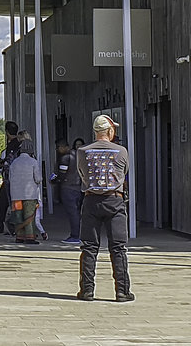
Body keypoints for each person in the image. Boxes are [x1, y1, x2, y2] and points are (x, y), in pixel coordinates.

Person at [77, 115, 132, 302]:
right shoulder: (121, 151)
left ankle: (87, 290)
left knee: (89, 247)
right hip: (114, 200)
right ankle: (122, 291)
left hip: (91, 200)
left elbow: (83, 174)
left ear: (95, 132)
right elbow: (123, 173)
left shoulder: (82, 151)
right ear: (110, 131)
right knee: (118, 248)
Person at [9, 139, 43, 244]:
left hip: (16, 194)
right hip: (30, 194)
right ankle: (30, 237)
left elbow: (10, 178)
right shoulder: (33, 162)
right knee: (29, 216)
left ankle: (19, 236)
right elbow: (38, 178)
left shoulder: (14, 162)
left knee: (18, 215)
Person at [0, 120, 21, 235]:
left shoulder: (8, 149)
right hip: (20, 181)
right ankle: (19, 227)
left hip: (8, 180)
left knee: (2, 203)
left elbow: (3, 165)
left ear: (7, 132)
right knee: (16, 204)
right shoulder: (21, 145)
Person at [57, 138, 84, 245]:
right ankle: (80, 234)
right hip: (79, 187)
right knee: (78, 212)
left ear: (64, 147)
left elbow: (62, 174)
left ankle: (75, 235)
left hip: (68, 188)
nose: (58, 150)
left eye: (59, 147)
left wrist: (55, 180)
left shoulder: (65, 158)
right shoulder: (79, 156)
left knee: (73, 213)